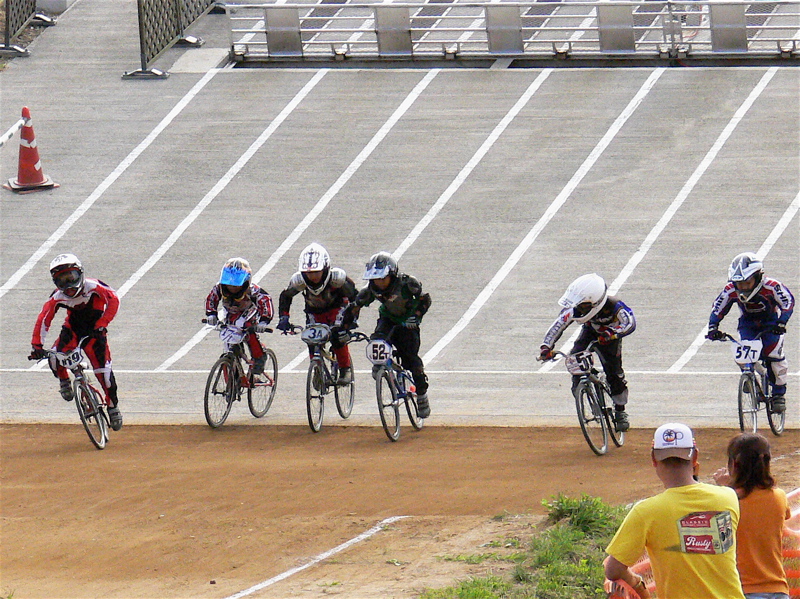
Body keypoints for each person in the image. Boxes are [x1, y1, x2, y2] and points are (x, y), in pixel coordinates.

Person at [605, 422, 745, 599]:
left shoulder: (646, 512)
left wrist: (636, 582)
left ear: (654, 460)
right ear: (695, 458)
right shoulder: (728, 497)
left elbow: (613, 570)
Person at [29, 253, 124, 431]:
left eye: (70, 277)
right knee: (54, 357)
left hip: (95, 332)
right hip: (72, 331)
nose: (68, 285)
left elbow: (114, 300)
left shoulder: (94, 286)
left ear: (80, 273)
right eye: (61, 281)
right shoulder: (57, 297)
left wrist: (102, 324)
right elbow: (44, 319)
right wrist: (37, 346)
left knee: (104, 374)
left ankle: (112, 407)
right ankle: (64, 380)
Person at [539, 273, 636, 432]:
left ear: (596, 302)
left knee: (614, 373)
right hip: (589, 333)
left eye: (583, 306)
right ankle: (581, 385)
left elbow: (630, 323)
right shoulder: (574, 309)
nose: (579, 310)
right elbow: (558, 325)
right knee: (575, 358)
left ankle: (620, 410)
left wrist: (612, 334)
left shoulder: (615, 306)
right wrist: (546, 347)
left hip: (609, 338)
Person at [343, 251, 431, 418]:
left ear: (392, 275)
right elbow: (355, 306)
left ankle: (421, 393)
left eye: (383, 278)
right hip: (388, 319)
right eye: (375, 279)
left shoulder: (408, 283)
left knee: (411, 360)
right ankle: (380, 364)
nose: (379, 283)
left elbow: (425, 299)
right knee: (377, 339)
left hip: (408, 324)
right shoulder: (371, 290)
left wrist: (416, 316)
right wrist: (345, 326)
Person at [706, 253, 794, 414]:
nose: (743, 287)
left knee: (774, 356)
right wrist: (713, 327)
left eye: (747, 283)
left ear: (758, 277)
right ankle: (749, 378)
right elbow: (718, 307)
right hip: (748, 325)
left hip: (770, 324)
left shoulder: (772, 286)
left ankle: (778, 395)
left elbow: (788, 302)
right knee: (741, 352)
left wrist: (782, 322)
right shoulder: (731, 289)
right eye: (739, 284)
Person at [713, 432, 791, 599]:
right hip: (778, 588)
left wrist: (724, 487)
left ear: (734, 464)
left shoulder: (728, 499)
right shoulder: (779, 496)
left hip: (743, 589)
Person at [275, 243, 357, 385]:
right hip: (314, 311)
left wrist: (350, 321)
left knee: (338, 336)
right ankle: (317, 368)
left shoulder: (337, 279)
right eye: (309, 273)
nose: (312, 276)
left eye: (316, 272)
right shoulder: (299, 281)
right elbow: (286, 296)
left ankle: (345, 368)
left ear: (325, 269)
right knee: (311, 339)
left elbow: (354, 298)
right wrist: (284, 317)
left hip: (338, 309)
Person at [205, 257, 273, 373]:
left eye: (236, 285)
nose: (232, 287)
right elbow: (212, 299)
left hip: (249, 313)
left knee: (246, 329)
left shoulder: (253, 291)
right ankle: (233, 372)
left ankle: (259, 355)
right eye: (229, 284)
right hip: (230, 313)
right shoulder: (219, 288)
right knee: (228, 332)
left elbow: (266, 302)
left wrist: (264, 321)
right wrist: (211, 313)